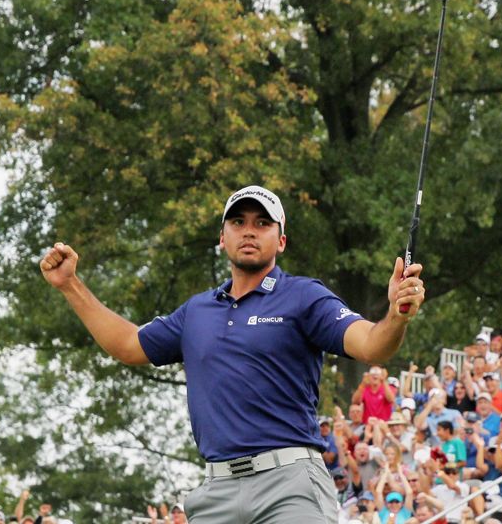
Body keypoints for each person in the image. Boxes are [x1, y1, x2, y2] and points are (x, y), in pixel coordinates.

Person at [39, 185, 427, 524]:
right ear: (222, 237)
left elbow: (371, 345)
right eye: (238, 222)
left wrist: (395, 316)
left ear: (281, 241)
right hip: (217, 491)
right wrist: (70, 285)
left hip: (289, 484)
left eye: (262, 223)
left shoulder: (304, 296)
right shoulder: (196, 312)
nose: (249, 231)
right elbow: (127, 345)